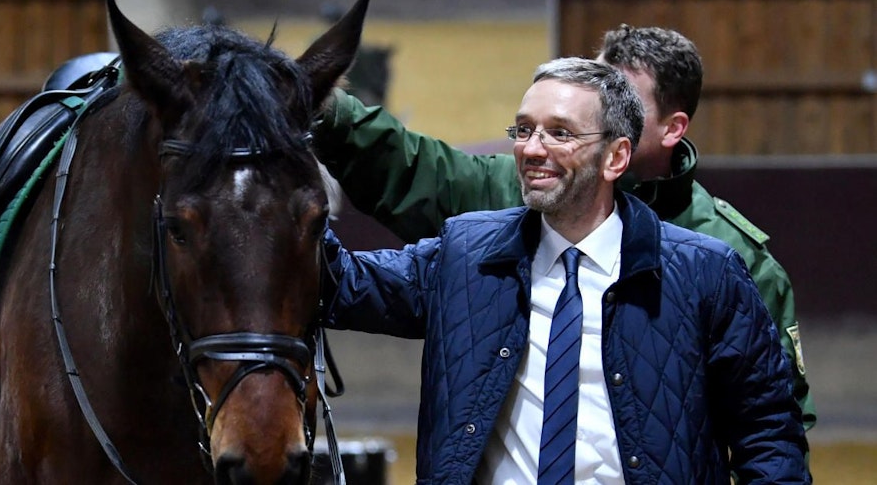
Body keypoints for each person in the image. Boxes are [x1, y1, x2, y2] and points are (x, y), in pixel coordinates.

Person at [322, 57, 808, 483]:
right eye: (524, 129)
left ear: (616, 156)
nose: (532, 149)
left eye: (560, 133)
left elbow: (768, 435)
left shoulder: (707, 273)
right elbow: (338, 284)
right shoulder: (464, 254)